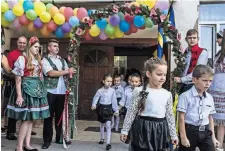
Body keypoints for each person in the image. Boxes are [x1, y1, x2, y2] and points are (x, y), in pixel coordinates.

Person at [120, 58, 178, 151]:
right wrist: (125, 130)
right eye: (159, 74)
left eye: (164, 74)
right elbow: (131, 112)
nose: (163, 77)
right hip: (142, 129)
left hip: (160, 130)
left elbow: (170, 115)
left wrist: (173, 134)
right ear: (149, 74)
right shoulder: (139, 91)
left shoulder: (167, 94)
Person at [7, 36, 50, 151]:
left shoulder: (37, 60)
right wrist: (19, 95)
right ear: (30, 47)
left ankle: (27, 144)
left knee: (31, 119)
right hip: (26, 90)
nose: (37, 49)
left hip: (36, 90)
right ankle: (19, 147)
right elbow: (18, 79)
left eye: (38, 47)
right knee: (26, 120)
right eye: (35, 47)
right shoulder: (22, 58)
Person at [41, 39, 75, 149]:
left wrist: (71, 71)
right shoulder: (45, 60)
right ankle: (47, 140)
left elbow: (68, 72)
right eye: (54, 46)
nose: (57, 48)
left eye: (58, 46)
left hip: (61, 92)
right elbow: (50, 73)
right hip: (50, 92)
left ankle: (59, 137)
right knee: (48, 117)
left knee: (60, 117)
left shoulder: (62, 61)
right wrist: (67, 71)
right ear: (49, 48)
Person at [177, 65, 220, 151]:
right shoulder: (185, 96)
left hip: (205, 131)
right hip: (190, 131)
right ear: (194, 80)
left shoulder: (210, 98)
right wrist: (183, 137)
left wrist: (213, 138)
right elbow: (181, 118)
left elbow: (210, 118)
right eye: (204, 80)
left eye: (210, 81)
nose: (208, 83)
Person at [174, 29, 208, 94]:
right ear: (186, 39)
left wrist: (181, 80)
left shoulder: (203, 52)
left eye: (194, 38)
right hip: (182, 85)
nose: (192, 40)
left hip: (194, 85)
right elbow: (183, 69)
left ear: (198, 39)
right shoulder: (186, 52)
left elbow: (197, 72)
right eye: (189, 38)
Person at [6, 36, 27, 140]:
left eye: (24, 43)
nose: (22, 45)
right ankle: (10, 132)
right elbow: (8, 70)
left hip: (27, 85)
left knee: (26, 108)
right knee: (15, 108)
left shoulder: (27, 55)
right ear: (17, 43)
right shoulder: (11, 54)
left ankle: (25, 129)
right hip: (16, 84)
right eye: (20, 43)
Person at [91, 74, 119, 150]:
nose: (109, 83)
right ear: (103, 81)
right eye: (107, 81)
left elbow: (114, 100)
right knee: (102, 124)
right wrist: (94, 104)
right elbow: (96, 98)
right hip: (101, 108)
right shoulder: (100, 90)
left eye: (111, 81)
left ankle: (108, 143)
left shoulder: (112, 91)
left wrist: (116, 109)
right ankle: (102, 138)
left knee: (108, 125)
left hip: (109, 108)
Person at [208, 30, 225, 151]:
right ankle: (216, 144)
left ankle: (220, 144)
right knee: (214, 117)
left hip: (223, 88)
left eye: (219, 38)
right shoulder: (218, 54)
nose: (216, 40)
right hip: (214, 87)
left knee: (222, 119)